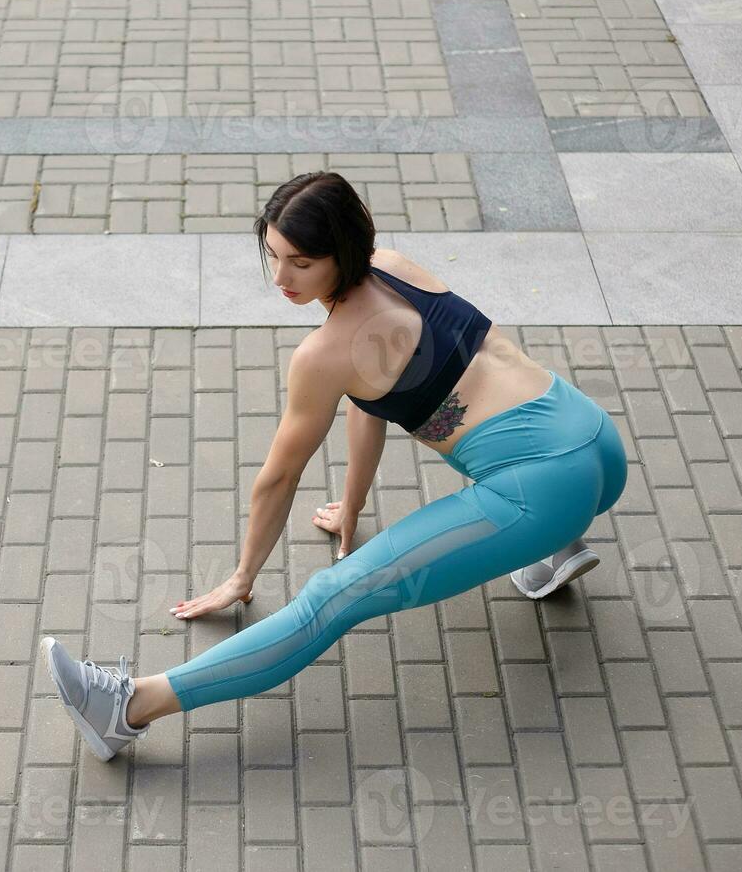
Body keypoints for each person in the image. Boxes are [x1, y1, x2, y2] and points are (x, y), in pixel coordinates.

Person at [39, 171, 628, 761]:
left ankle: (123, 708)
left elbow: (279, 477)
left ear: (340, 252)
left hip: (545, 490)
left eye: (300, 263)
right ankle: (557, 548)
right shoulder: (397, 267)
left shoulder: (323, 354)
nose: (280, 279)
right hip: (594, 437)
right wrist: (352, 504)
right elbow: (371, 398)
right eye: (272, 256)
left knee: (334, 596)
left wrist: (243, 576)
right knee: (484, 435)